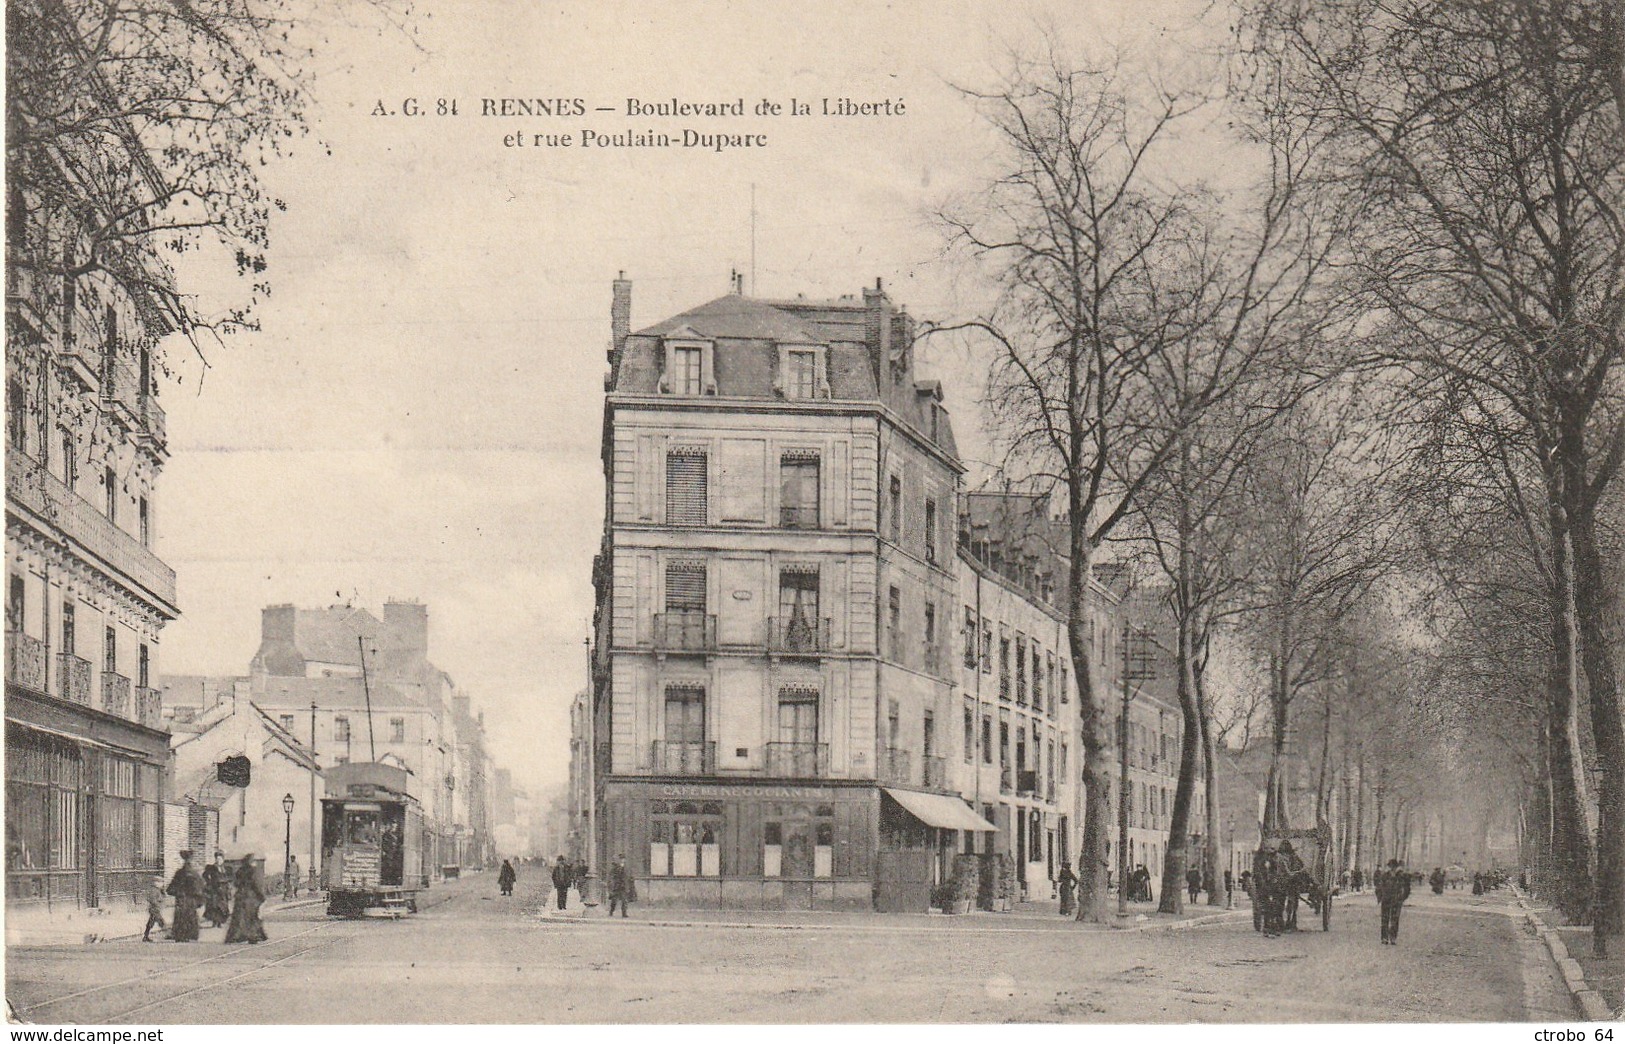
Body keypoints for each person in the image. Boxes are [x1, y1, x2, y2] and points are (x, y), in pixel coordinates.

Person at [224, 856, 268, 944]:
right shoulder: (253, 871)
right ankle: (252, 936)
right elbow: (257, 885)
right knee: (252, 917)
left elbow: (236, 883)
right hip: (251, 897)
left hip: (240, 896)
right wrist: (262, 897)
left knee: (239, 917)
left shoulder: (239, 871)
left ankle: (235, 936)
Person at [165, 850, 205, 942]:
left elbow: (171, 888)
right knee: (189, 916)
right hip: (190, 900)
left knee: (180, 917)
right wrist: (199, 900)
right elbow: (201, 887)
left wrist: (177, 892)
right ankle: (189, 935)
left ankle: (180, 935)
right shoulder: (195, 874)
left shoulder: (179, 873)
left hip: (181, 899)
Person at [1376, 857, 1411, 945]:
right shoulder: (1385, 876)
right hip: (1386, 900)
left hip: (1396, 900)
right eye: (1391, 866)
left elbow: (1407, 888)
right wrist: (1380, 897)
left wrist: (1402, 898)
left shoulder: (1401, 877)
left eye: (1394, 867)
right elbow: (1379, 887)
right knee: (1385, 919)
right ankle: (1384, 938)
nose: (1392, 868)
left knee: (1395, 919)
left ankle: (1393, 937)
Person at [201, 851, 232, 929]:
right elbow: (204, 875)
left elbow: (230, 877)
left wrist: (227, 883)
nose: (219, 860)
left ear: (223, 859)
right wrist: (209, 882)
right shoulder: (211, 868)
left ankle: (220, 923)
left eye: (220, 859)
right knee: (215, 906)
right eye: (217, 859)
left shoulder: (225, 868)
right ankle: (214, 923)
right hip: (215, 890)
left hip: (224, 890)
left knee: (223, 906)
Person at [607, 853, 635, 917]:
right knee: (614, 900)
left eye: (623, 859)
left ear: (625, 860)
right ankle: (611, 911)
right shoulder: (616, 867)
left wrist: (630, 882)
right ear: (619, 859)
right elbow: (612, 875)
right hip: (617, 886)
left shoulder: (627, 867)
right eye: (621, 859)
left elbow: (630, 876)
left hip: (624, 886)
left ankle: (624, 913)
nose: (622, 860)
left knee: (624, 900)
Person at [142, 875, 167, 942]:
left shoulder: (158, 890)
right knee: (161, 922)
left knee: (151, 923)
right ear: (156, 883)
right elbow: (152, 899)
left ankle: (145, 936)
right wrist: (156, 904)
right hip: (154, 909)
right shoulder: (154, 890)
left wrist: (162, 891)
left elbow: (163, 897)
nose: (162, 884)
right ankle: (168, 934)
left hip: (156, 909)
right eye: (160, 882)